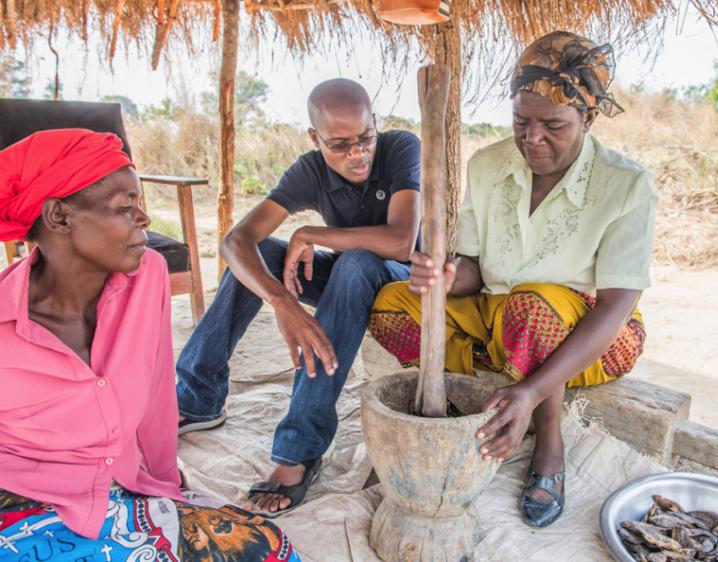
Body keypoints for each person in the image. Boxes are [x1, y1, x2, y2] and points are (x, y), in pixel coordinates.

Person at [369, 31, 657, 528]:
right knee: (391, 304)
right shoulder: (488, 165)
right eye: (521, 122)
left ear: (588, 119)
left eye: (553, 125)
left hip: (594, 333)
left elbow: (615, 305)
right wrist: (445, 275)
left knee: (532, 309)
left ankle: (547, 440)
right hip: (497, 318)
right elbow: (474, 270)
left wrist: (531, 392)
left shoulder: (626, 184)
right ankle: (494, 385)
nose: (533, 138)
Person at [0, 129, 300, 561]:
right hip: (23, 508)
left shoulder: (147, 277)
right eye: (126, 207)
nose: (144, 220)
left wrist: (166, 490)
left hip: (121, 493)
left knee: (271, 549)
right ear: (58, 217)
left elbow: (159, 395)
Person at [175, 78, 421, 516]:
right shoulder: (309, 171)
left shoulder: (400, 147)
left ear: (376, 123)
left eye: (365, 138)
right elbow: (236, 240)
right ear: (315, 138)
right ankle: (197, 396)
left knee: (355, 262)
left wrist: (308, 233)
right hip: (349, 279)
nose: (357, 154)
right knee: (265, 254)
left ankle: (299, 450)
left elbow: (402, 241)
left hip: (402, 283)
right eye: (340, 144)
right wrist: (283, 302)